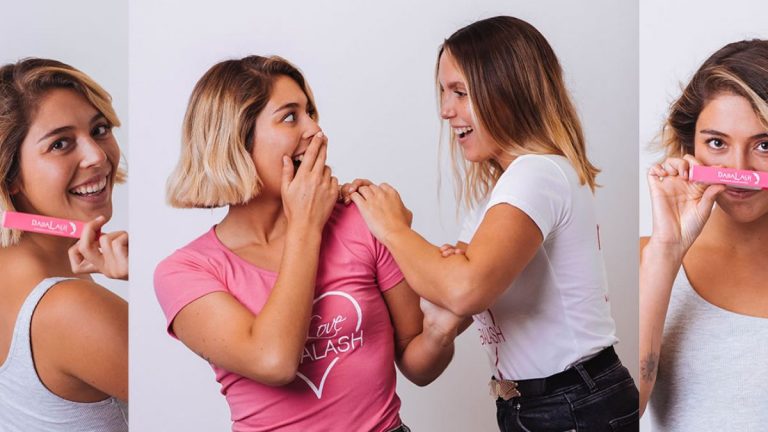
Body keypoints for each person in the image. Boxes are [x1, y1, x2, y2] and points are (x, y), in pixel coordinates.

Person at [346, 16, 638, 431]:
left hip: (572, 404)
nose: (446, 111)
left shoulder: (536, 174)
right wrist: (440, 294)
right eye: (444, 92)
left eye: (460, 92)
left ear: (506, 91)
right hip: (539, 406)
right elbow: (430, 340)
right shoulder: (497, 199)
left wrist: (394, 230)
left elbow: (463, 290)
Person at [153, 55, 461, 432]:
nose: (316, 130)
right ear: (235, 139)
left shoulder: (362, 222)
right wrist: (306, 226)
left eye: (310, 112)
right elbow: (274, 362)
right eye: (289, 116)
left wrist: (440, 331)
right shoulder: (185, 271)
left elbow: (418, 365)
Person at [640, 39, 768, 430]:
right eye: (717, 143)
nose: (739, 169)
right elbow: (619, 413)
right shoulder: (647, 260)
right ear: (689, 146)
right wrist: (666, 252)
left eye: (764, 145)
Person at [0, 58, 128, 431]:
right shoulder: (69, 307)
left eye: (99, 129)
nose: (97, 156)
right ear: (10, 175)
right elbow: (223, 390)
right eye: (60, 143)